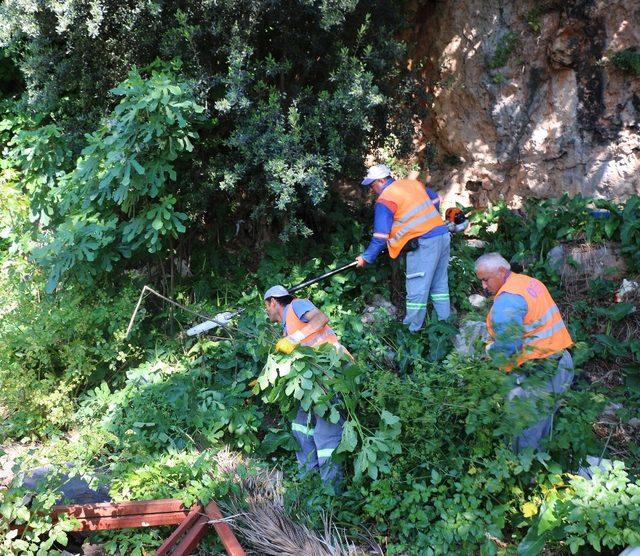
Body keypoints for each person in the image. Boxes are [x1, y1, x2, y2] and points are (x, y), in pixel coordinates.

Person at [475, 252, 574, 452]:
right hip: (562, 364)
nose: (483, 287)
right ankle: (541, 474)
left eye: (485, 280)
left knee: (524, 437)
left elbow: (507, 348)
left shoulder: (507, 301)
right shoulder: (528, 283)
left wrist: (488, 352)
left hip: (537, 377)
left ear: (502, 272)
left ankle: (522, 479)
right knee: (544, 431)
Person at [263, 285, 345, 485]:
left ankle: (331, 492)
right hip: (314, 383)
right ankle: (309, 482)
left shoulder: (296, 305)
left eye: (266, 306)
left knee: (327, 435)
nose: (267, 311)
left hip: (332, 373)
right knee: (301, 426)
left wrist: (294, 338)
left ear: (273, 301)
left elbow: (321, 318)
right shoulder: (286, 328)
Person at [355, 164, 451, 332]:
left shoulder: (386, 199)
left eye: (373, 185)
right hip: (442, 235)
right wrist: (430, 220)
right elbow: (435, 198)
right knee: (440, 284)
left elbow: (380, 237)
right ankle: (445, 325)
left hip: (423, 243)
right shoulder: (412, 184)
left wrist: (366, 258)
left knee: (417, 289)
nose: (372, 189)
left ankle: (412, 332)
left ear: (382, 180)